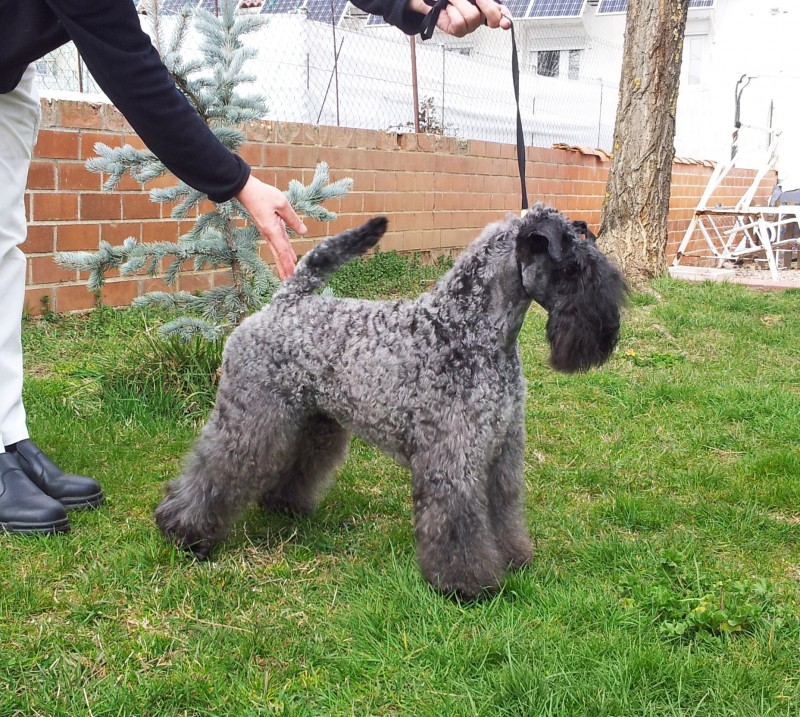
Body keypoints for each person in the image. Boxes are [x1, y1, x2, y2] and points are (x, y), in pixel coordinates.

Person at [0, 0, 512, 536]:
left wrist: (419, 8)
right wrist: (239, 182)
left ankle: (10, 437)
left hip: (11, 72)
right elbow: (130, 68)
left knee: (4, 253)